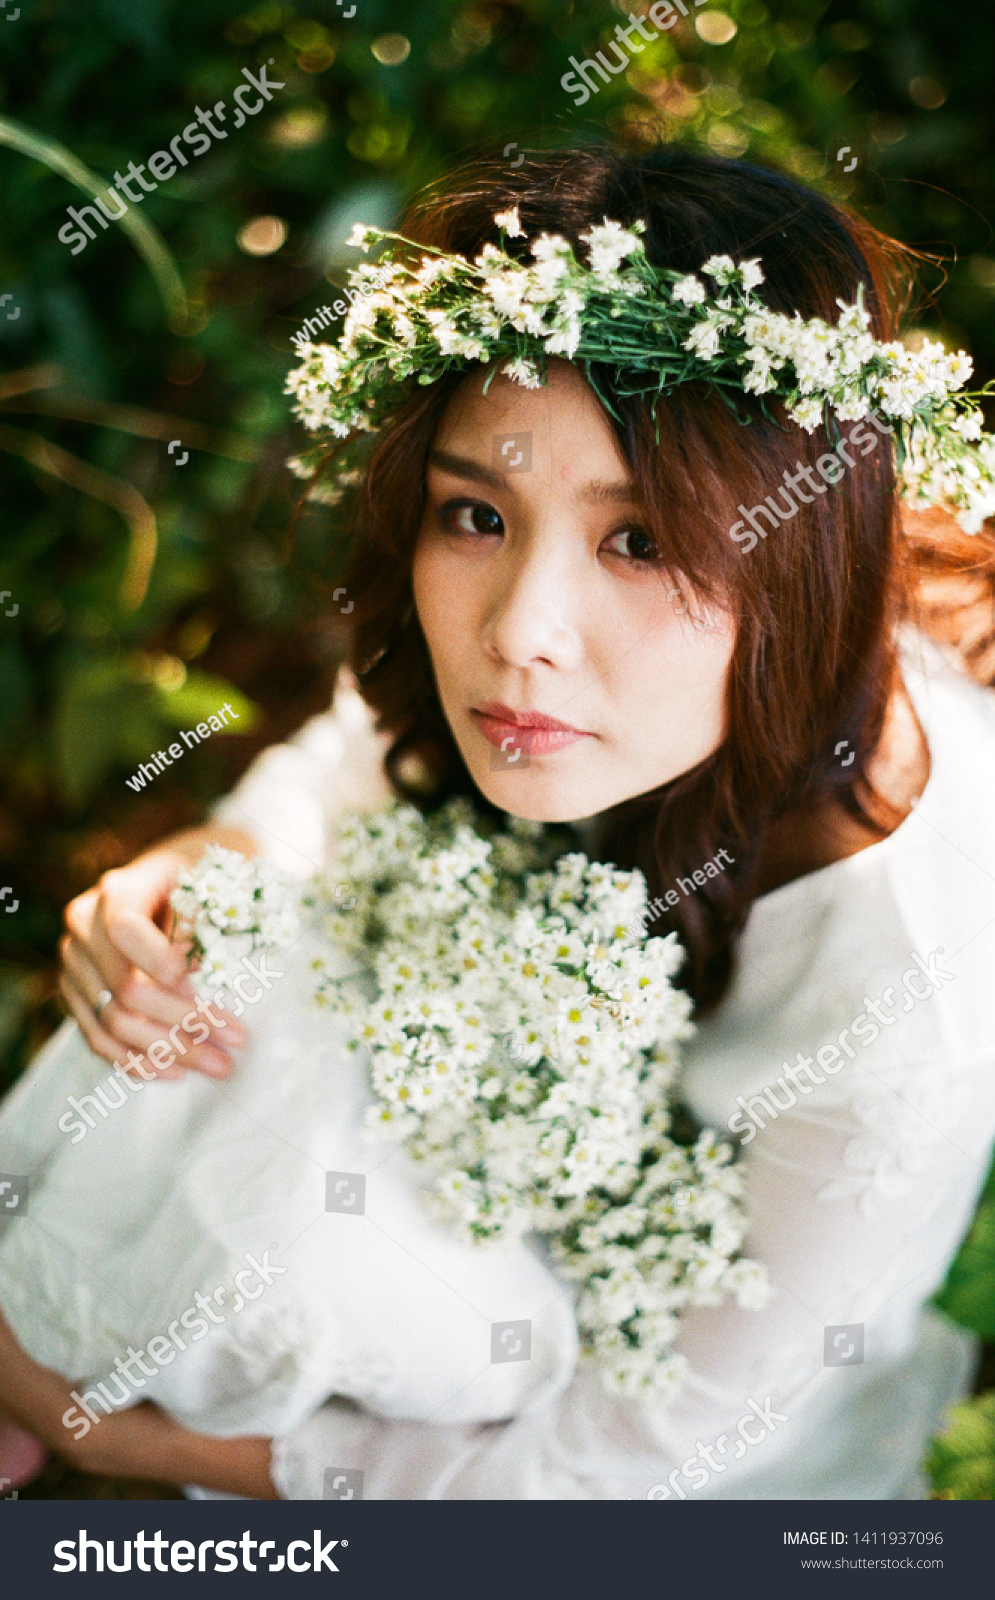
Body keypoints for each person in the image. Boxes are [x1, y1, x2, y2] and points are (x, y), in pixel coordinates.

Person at [2, 144, 995, 1501]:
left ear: (802, 550)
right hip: (492, 1143)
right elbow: (347, 759)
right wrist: (191, 876)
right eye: (476, 513)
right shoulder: (567, 687)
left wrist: (129, 1438)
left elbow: (623, 1465)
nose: (517, 636)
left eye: (640, 540)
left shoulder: (915, 1003)